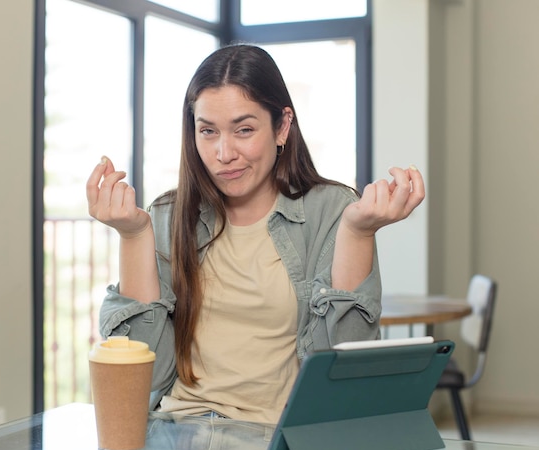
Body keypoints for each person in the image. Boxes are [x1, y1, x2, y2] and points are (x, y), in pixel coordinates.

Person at [87, 44, 424, 427]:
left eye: (244, 130)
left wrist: (358, 233)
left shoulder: (331, 211)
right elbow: (145, 369)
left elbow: (343, 363)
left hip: (276, 439)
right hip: (177, 432)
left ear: (282, 127)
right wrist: (133, 236)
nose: (223, 152)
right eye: (207, 131)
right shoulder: (167, 215)